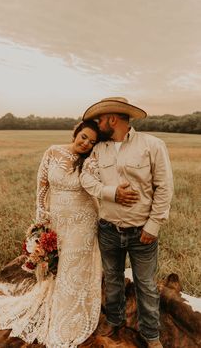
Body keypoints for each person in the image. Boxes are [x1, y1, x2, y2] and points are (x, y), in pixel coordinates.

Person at [0, 121, 102, 347]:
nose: (86, 143)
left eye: (92, 142)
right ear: (76, 133)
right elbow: (43, 183)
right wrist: (41, 214)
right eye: (84, 137)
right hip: (57, 217)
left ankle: (73, 312)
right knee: (57, 263)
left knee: (75, 265)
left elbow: (97, 186)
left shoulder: (92, 160)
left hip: (84, 218)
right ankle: (56, 302)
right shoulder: (53, 151)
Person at [80, 97, 174, 348]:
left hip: (142, 231)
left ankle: (151, 334)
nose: (98, 124)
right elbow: (86, 179)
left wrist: (153, 226)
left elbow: (164, 187)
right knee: (112, 278)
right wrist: (112, 192)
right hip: (108, 229)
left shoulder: (152, 144)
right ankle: (114, 320)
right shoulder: (99, 149)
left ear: (113, 118)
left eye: (100, 119)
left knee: (146, 285)